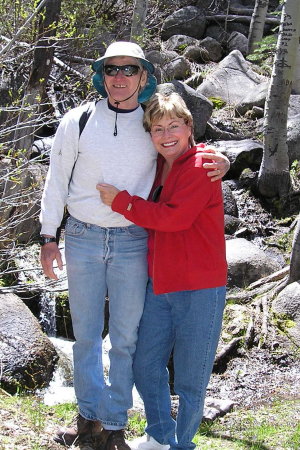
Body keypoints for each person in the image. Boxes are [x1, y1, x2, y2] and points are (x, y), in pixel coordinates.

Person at [40, 42, 229, 450]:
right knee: (87, 337)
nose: (120, 77)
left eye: (130, 70)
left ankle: (115, 425)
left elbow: (185, 153)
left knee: (124, 339)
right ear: (102, 76)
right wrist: (48, 236)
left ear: (144, 77)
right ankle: (88, 419)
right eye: (112, 70)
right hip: (83, 237)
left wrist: (224, 159)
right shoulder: (79, 120)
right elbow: (56, 180)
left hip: (133, 241)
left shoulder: (149, 124)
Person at [98, 92, 227, 450]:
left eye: (174, 125)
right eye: (157, 128)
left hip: (201, 289)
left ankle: (182, 445)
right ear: (150, 134)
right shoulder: (158, 164)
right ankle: (158, 433)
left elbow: (175, 218)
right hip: (161, 286)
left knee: (190, 380)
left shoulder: (201, 165)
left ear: (189, 127)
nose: (166, 134)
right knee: (145, 366)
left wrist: (123, 202)